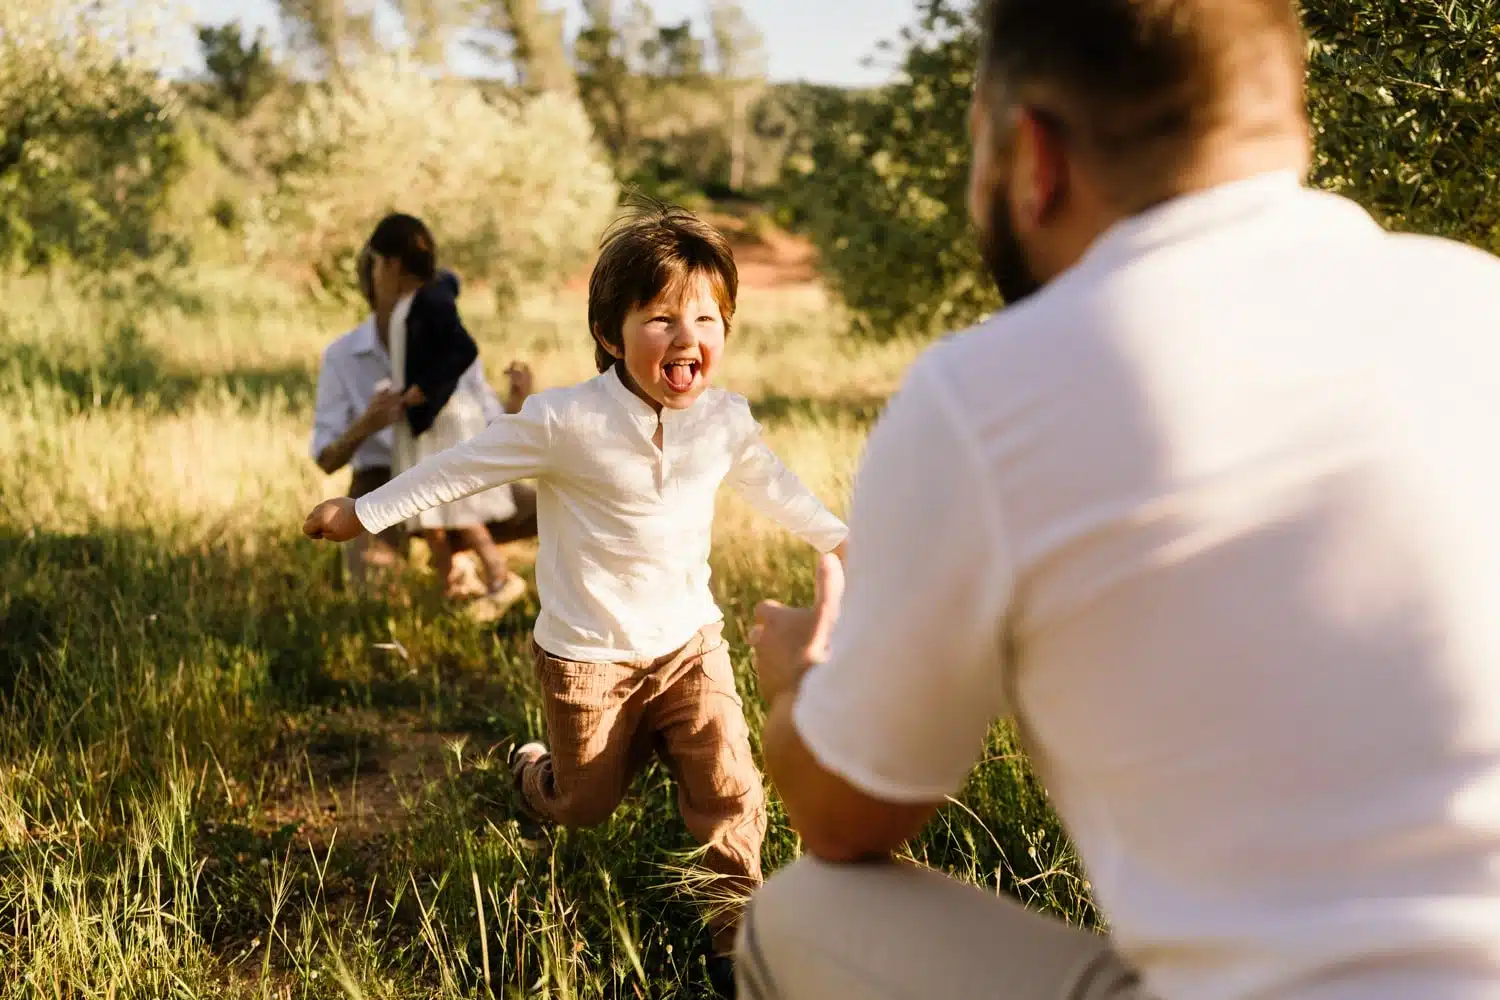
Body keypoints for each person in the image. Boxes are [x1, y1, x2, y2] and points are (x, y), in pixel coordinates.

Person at [740, 1, 1500, 998]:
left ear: (1033, 155)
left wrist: (803, 683)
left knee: (794, 912)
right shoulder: (1474, 301)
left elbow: (846, 817)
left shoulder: (985, 394)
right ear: (1290, 121)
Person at [304, 200, 849, 997]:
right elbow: (463, 468)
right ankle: (534, 773)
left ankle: (738, 943)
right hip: (587, 656)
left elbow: (774, 483)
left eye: (707, 317)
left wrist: (837, 538)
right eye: (660, 318)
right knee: (586, 802)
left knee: (731, 789)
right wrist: (362, 511)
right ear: (610, 333)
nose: (688, 336)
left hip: (689, 643)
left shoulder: (724, 422)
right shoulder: (565, 420)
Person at [310, 230, 537, 609]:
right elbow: (326, 458)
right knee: (374, 599)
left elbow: (494, 430)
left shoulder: (444, 342)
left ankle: (464, 565)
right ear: (378, 278)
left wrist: (518, 401)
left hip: (453, 471)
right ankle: (453, 564)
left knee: (550, 504)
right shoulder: (343, 356)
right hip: (380, 478)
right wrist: (368, 423)